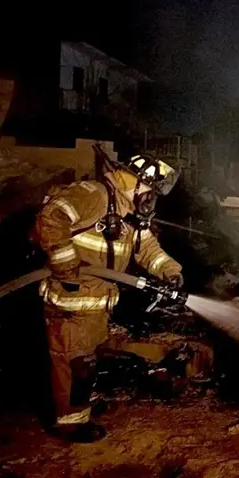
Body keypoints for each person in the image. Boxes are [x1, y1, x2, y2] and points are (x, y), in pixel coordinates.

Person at [33, 153, 183, 442]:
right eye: (150, 190)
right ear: (135, 181)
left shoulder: (127, 212)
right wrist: (65, 266)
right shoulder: (95, 195)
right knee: (75, 363)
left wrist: (171, 273)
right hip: (70, 301)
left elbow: (147, 249)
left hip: (95, 303)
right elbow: (52, 217)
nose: (151, 199)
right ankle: (70, 423)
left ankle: (79, 407)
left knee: (85, 361)